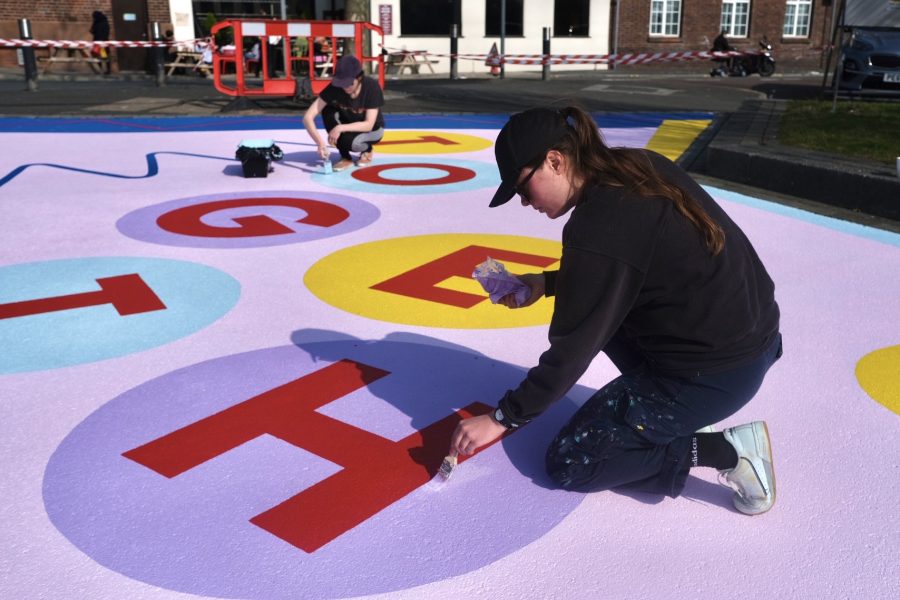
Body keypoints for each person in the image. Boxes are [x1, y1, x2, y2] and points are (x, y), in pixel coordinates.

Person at [449, 106, 782, 516]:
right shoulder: (635, 167)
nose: (523, 202)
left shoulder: (599, 223)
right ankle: (681, 415)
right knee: (605, 312)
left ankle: (728, 450)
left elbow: (572, 351)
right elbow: (627, 266)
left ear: (555, 160)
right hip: (753, 337)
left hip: (718, 370)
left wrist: (503, 418)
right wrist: (548, 283)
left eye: (522, 187)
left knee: (574, 461)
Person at [302, 55, 385, 171]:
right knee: (328, 109)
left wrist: (340, 128)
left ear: (359, 77)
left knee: (352, 143)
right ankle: (345, 157)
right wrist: (320, 143)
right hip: (348, 125)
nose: (345, 87)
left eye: (349, 83)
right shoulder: (335, 88)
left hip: (373, 129)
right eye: (342, 83)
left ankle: (367, 149)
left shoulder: (371, 87)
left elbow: (369, 124)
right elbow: (308, 117)